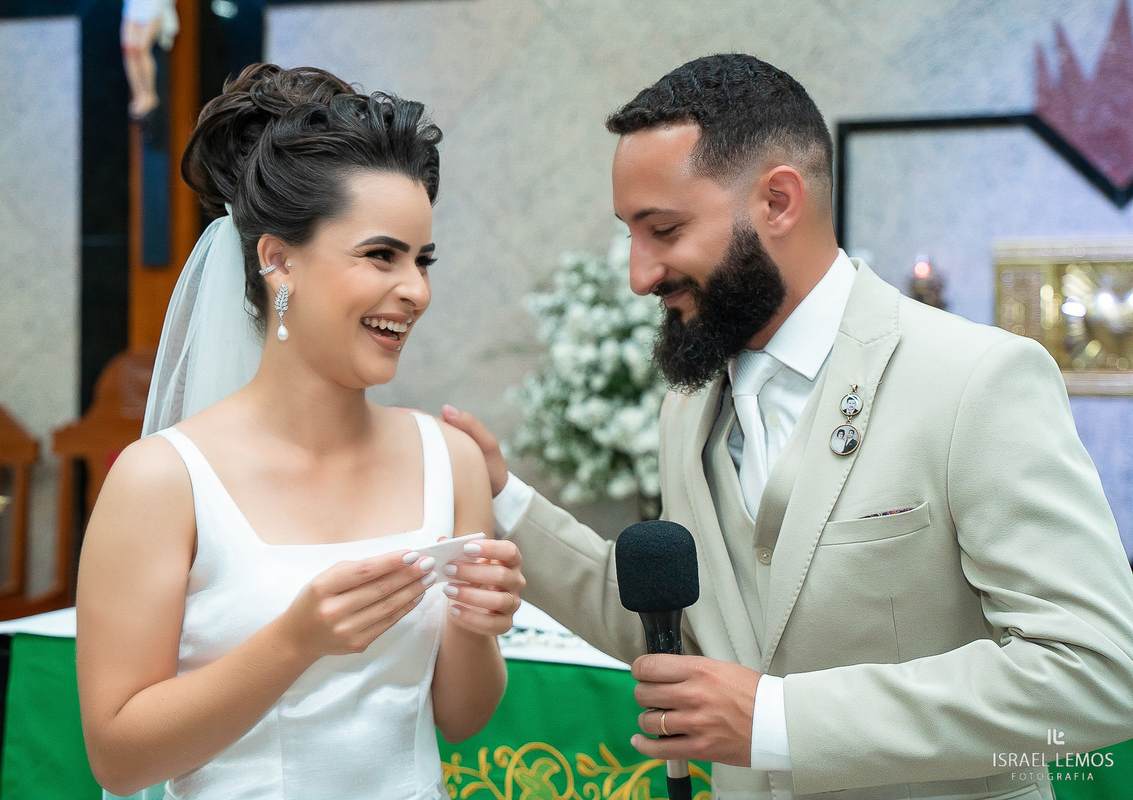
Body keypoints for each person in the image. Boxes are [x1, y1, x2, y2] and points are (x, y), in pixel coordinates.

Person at [444, 53, 1133, 799]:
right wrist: (503, 499)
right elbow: (681, 625)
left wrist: (778, 719)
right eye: (631, 235)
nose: (640, 274)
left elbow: (1097, 672)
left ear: (778, 202)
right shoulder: (689, 407)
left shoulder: (977, 381)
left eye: (664, 230)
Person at [76, 63, 524, 800]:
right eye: (382, 255)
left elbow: (460, 716)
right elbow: (120, 761)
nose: (414, 290)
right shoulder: (163, 481)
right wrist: (296, 643)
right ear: (279, 260)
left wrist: (478, 623)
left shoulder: (450, 461)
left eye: (422, 260)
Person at [121, 0, 178, 120]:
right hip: (135, 4)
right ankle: (139, 95)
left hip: (153, 5)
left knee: (141, 48)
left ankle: (149, 95)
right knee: (129, 49)